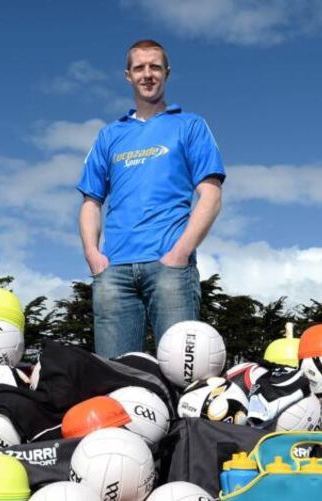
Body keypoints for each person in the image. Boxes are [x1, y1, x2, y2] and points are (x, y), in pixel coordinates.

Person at [77, 39, 225, 358]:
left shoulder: (190, 125)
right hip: (114, 271)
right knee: (115, 374)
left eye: (155, 67)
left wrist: (180, 253)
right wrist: (93, 255)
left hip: (170, 269)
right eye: (139, 68)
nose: (147, 74)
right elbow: (91, 201)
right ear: (128, 75)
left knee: (183, 374)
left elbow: (211, 195)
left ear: (166, 73)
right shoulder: (109, 135)